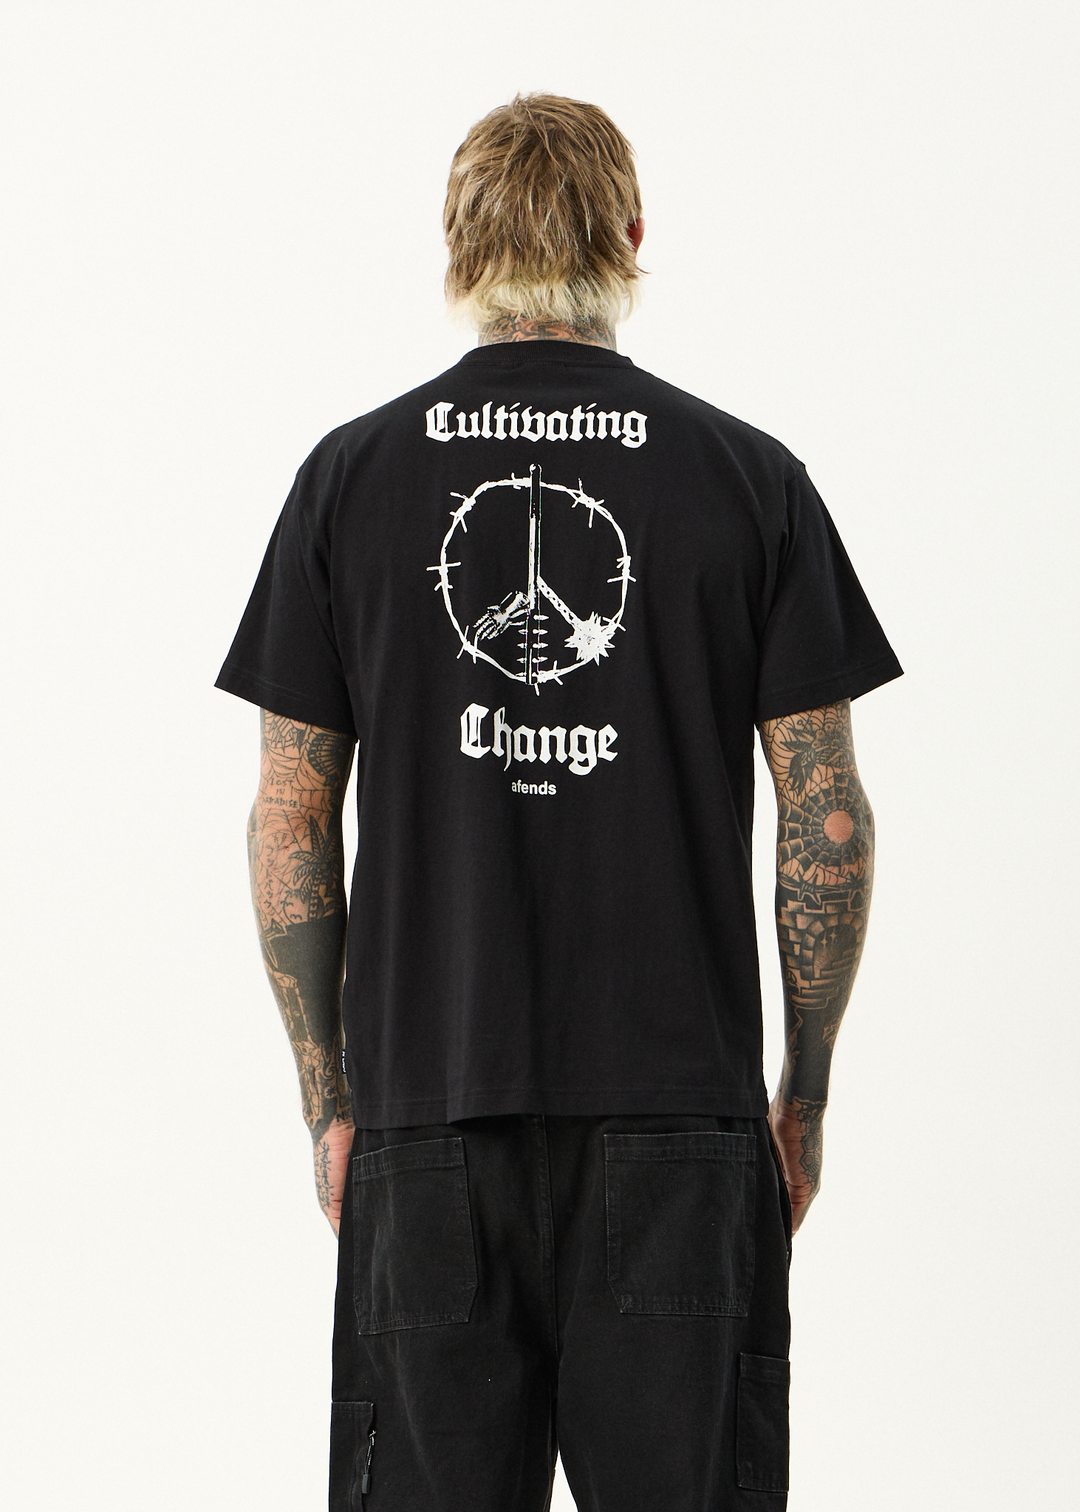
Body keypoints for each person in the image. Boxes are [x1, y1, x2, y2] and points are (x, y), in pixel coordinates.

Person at [215, 91, 902, 1512]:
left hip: (429, 1120)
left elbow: (289, 818)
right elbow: (824, 811)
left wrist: (332, 1104)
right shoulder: (748, 479)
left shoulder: (349, 481)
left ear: (455, 243)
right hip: (680, 1125)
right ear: (633, 235)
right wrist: (806, 1095)